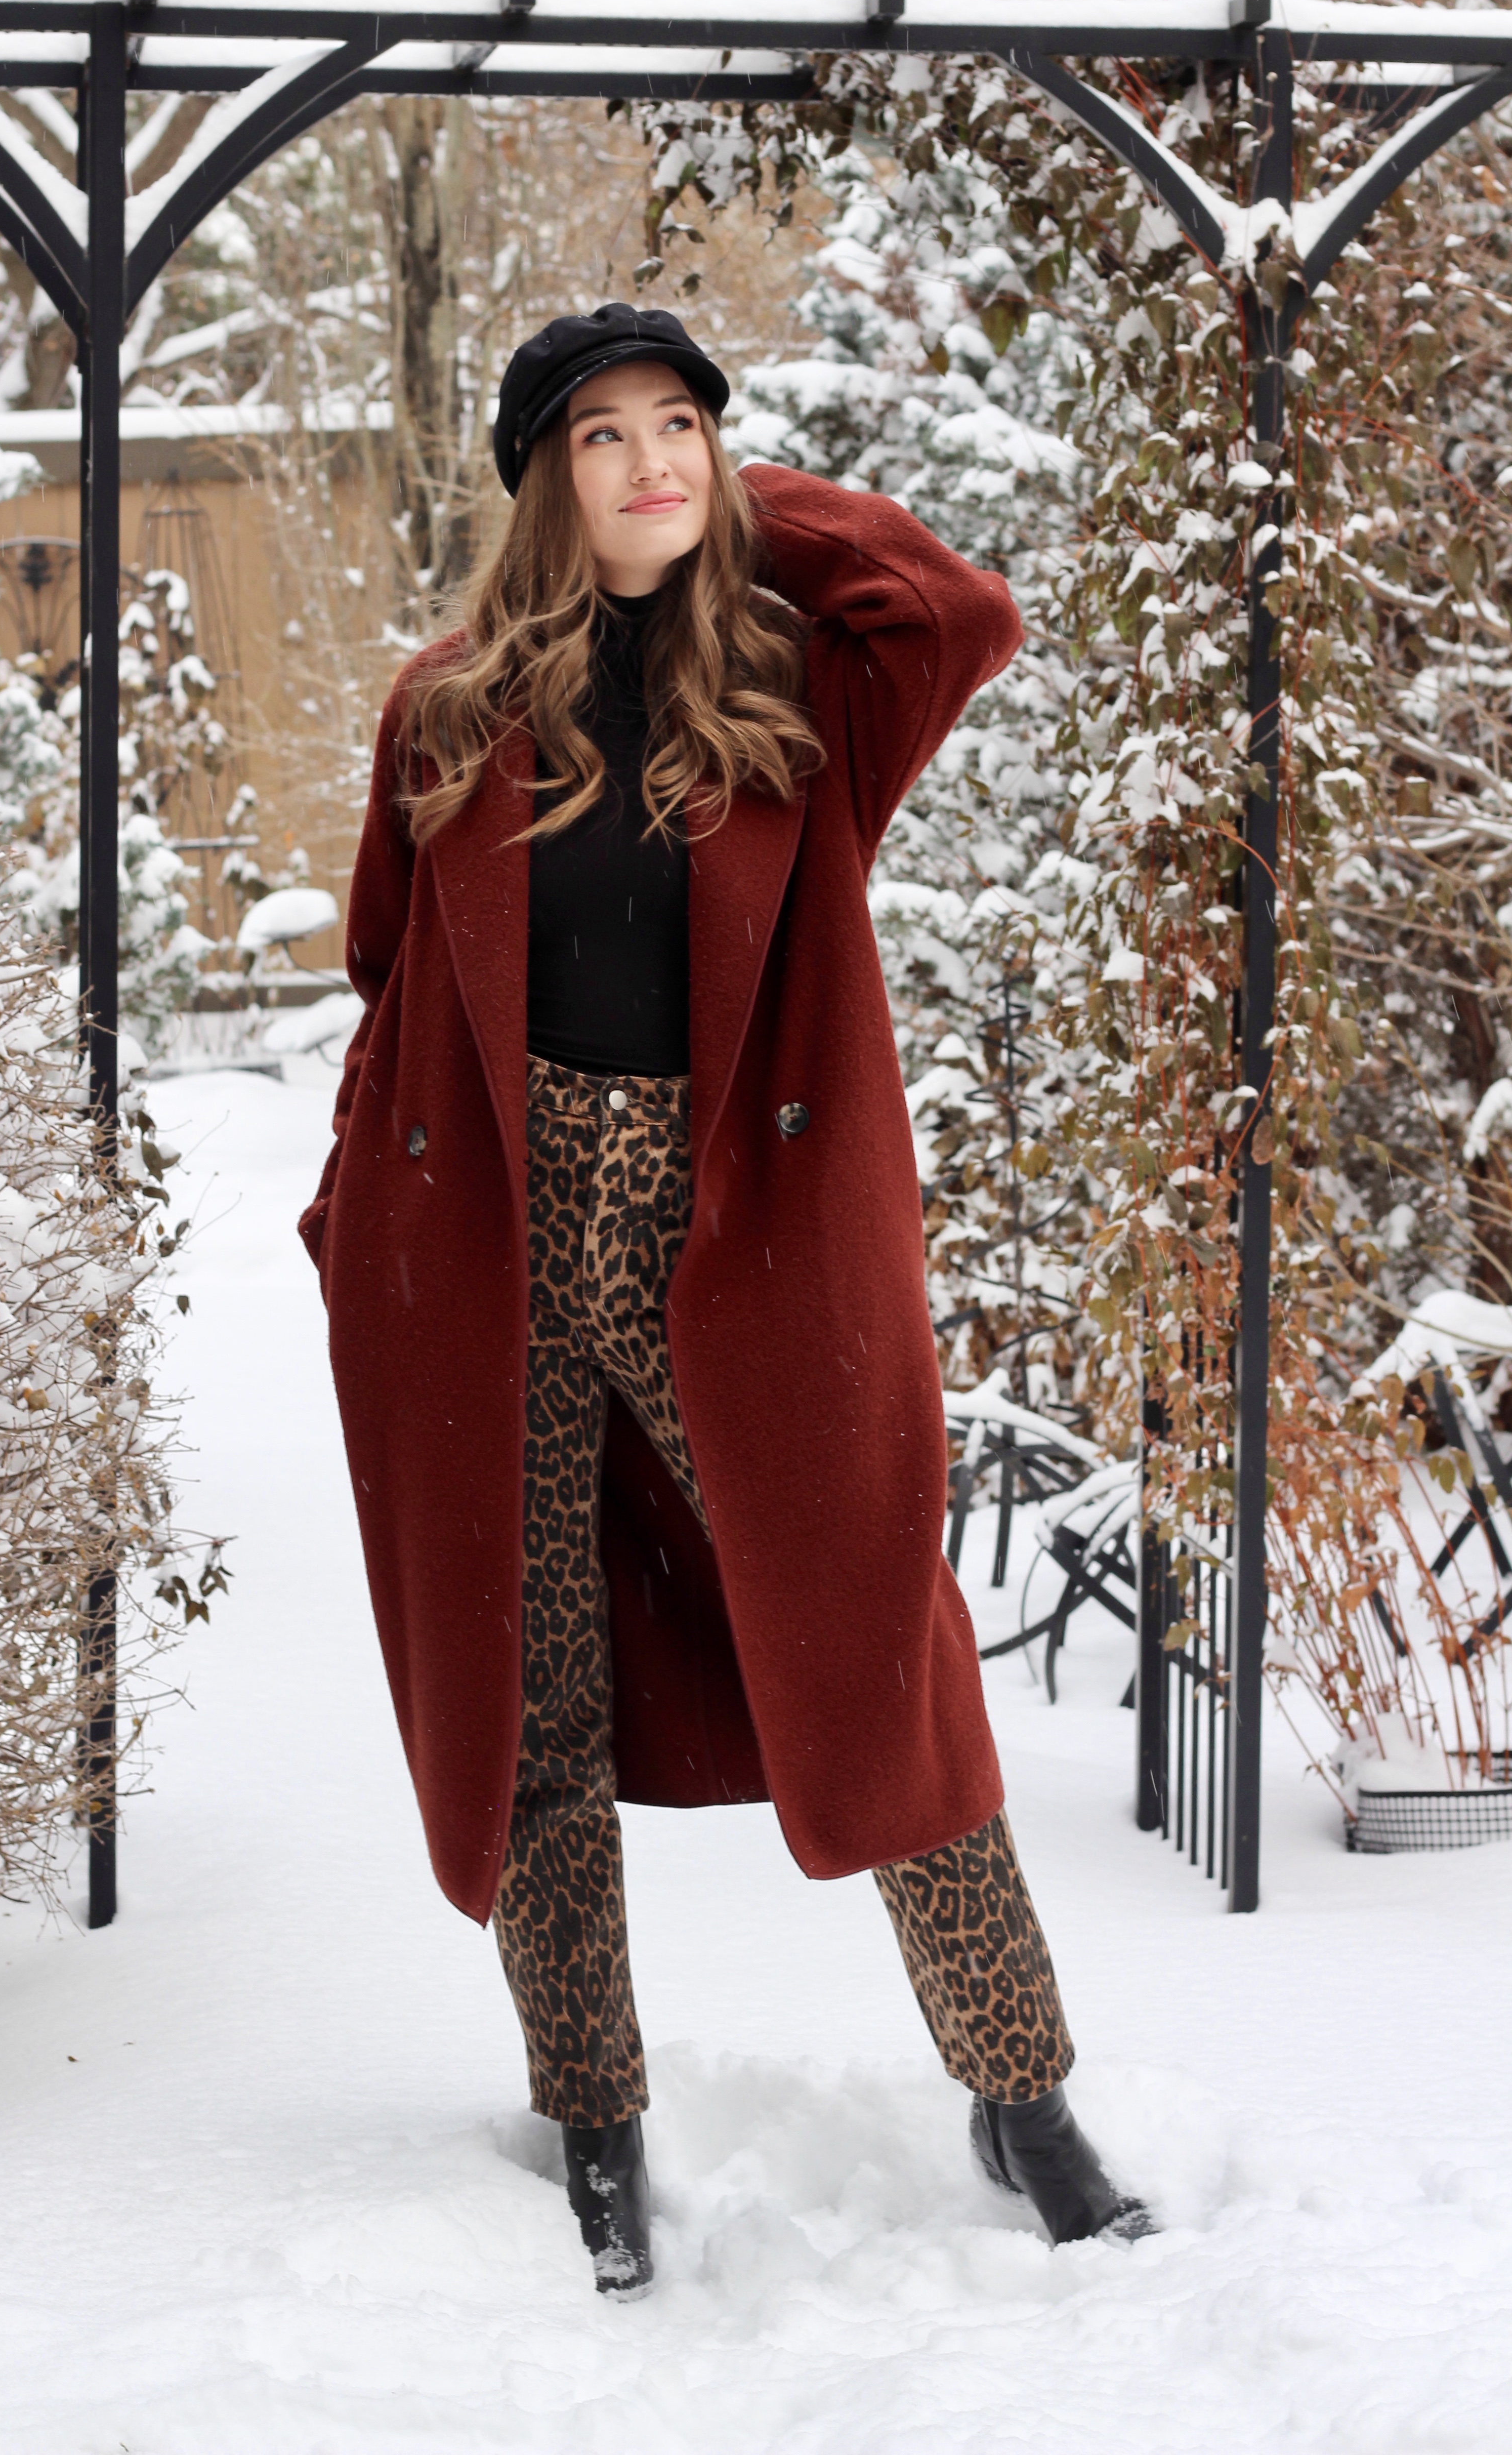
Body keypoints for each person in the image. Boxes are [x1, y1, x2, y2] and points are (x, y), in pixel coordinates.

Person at [301, 302, 1150, 2301]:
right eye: (600, 437)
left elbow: (955, 606)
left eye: (677, 425)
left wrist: (732, 501)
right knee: (537, 1691)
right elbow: (380, 970)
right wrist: (361, 1221)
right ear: (540, 480)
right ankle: (594, 2117)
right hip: (494, 1239)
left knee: (880, 1654)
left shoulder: (797, 692)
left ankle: (1022, 2094)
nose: (649, 462)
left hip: (737, 1240)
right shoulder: (444, 706)